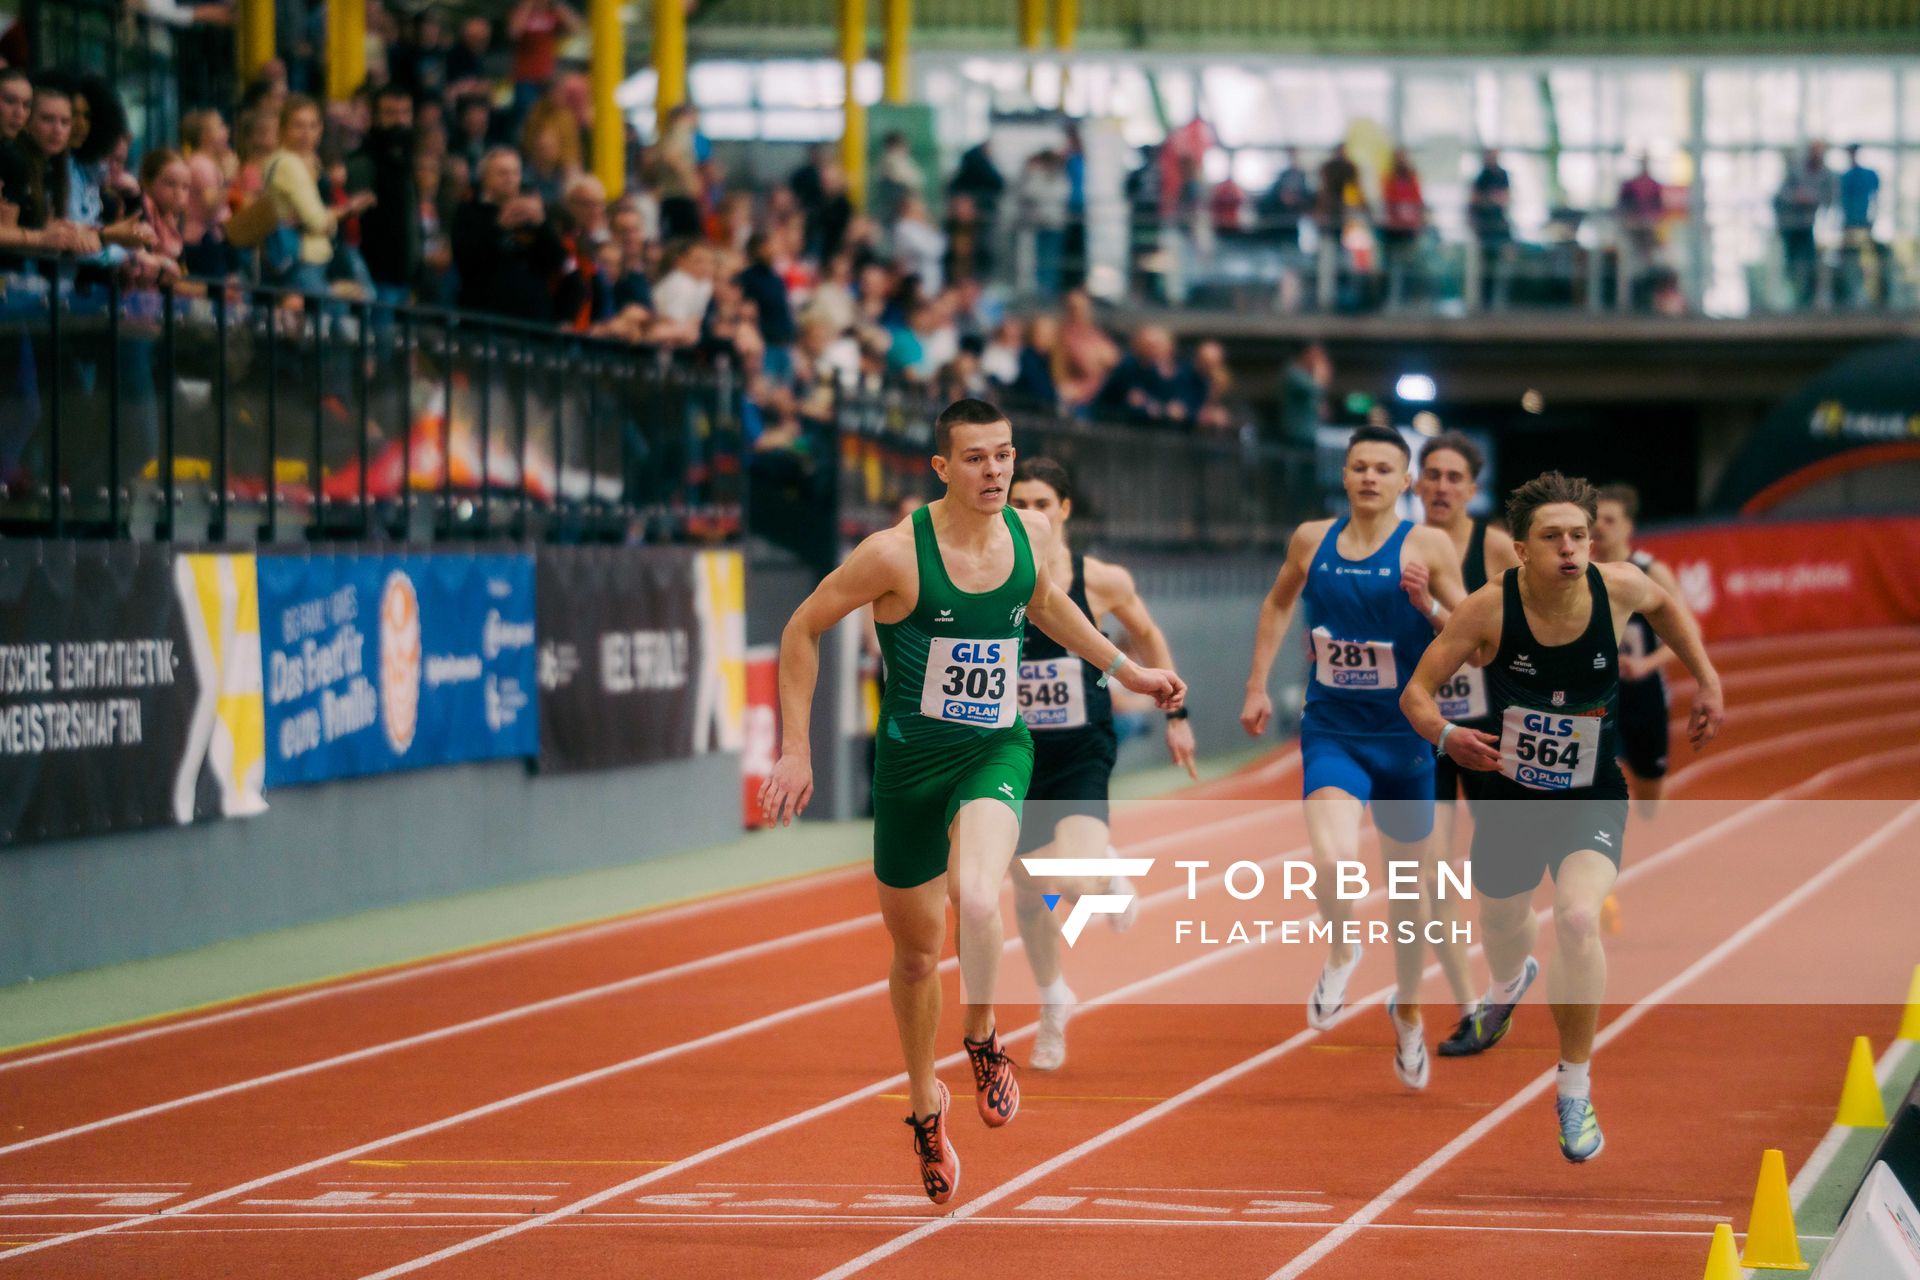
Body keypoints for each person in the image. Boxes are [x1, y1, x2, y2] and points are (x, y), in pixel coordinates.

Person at [758, 398, 1185, 1204]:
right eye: (978, 459)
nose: (996, 472)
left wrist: (1124, 671)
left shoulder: (1024, 537)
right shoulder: (894, 555)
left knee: (979, 896)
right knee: (917, 955)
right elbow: (801, 630)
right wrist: (796, 747)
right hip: (910, 769)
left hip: (996, 745)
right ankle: (926, 1105)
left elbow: (1051, 607)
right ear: (943, 468)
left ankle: (985, 1038)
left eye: (1005, 455)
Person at [1400, 471, 1724, 1161]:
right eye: (1554, 538)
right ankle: (1507, 981)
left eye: (1580, 534)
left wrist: (1708, 680)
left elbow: (1666, 606)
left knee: (1577, 919)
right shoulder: (1489, 609)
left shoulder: (1619, 588)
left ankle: (1574, 1087)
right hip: (1512, 800)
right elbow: (1418, 694)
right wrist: (1447, 737)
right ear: (1522, 550)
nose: (1572, 549)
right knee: (1503, 923)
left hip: (1591, 794)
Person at [1241, 424, 1468, 1089]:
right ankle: (1343, 947)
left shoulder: (1425, 545)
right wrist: (1256, 683)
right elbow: (1278, 603)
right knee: (1333, 859)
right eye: (1358, 466)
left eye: (1383, 469)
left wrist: (1427, 606)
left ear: (1406, 483)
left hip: (1407, 739)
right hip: (1334, 729)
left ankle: (1408, 1015)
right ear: (1344, 475)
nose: (1369, 477)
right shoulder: (1312, 540)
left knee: (1411, 902)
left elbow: (1471, 640)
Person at [1008, 458, 1197, 1071]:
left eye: (1040, 502)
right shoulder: (992, 573)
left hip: (1082, 749)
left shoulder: (1101, 579)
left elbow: (1146, 635)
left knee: (1078, 883)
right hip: (1012, 753)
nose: (1029, 513)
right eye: (1019, 503)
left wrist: (1175, 712)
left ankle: (1107, 873)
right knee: (1030, 895)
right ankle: (1052, 1002)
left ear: (1063, 510)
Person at [1412, 432, 1522, 1057]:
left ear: (1472, 490)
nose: (1442, 487)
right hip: (1426, 730)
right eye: (1432, 475)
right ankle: (1472, 1009)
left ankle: (1506, 973)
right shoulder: (1396, 550)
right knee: (1429, 874)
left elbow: (1506, 638)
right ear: (1417, 484)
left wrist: (1432, 609)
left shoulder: (1497, 548)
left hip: (1488, 726)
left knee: (1498, 875)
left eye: (1455, 477)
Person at [1592, 483, 1696, 824]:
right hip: (1598, 697)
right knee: (1602, 779)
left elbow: (1690, 633)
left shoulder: (1651, 572)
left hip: (1645, 695)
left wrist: (1646, 664)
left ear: (1628, 527)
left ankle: (1649, 843)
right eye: (1595, 519)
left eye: (1610, 520)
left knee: (1650, 798)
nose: (1600, 527)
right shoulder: (1580, 573)